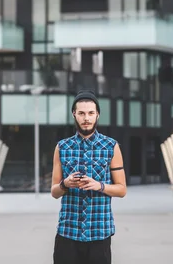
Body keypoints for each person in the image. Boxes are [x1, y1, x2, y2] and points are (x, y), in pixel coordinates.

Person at [50, 89, 127, 264]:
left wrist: (98, 185)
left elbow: (122, 190)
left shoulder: (111, 146)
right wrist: (66, 184)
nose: (86, 118)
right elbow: (54, 192)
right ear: (74, 114)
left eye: (91, 113)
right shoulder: (62, 147)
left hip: (99, 233)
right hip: (68, 233)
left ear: (97, 115)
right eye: (82, 113)